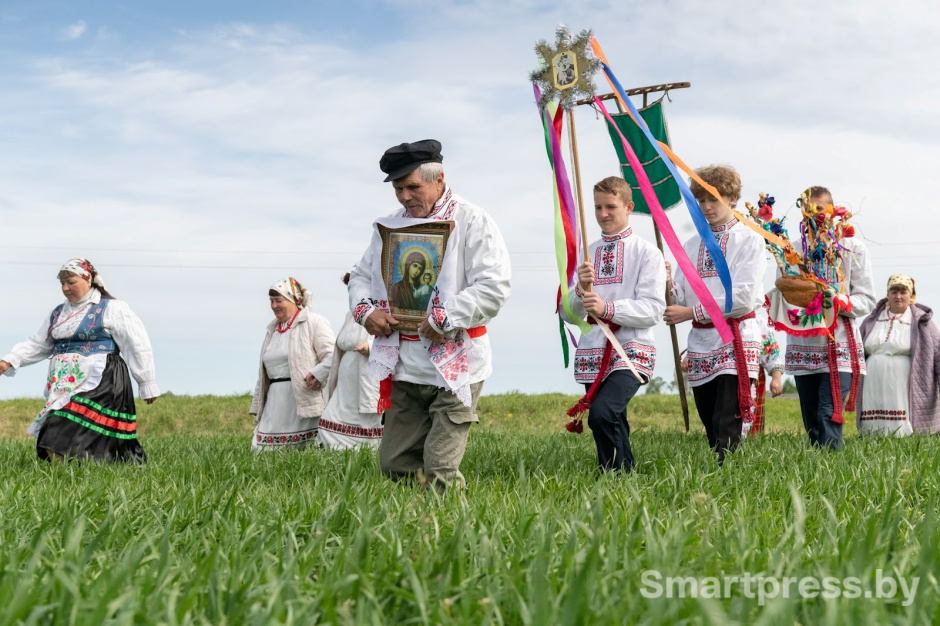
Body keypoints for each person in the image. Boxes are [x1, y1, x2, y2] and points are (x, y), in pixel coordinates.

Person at [348, 139, 511, 491]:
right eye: (398, 188)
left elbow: (494, 286)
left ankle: (452, 535)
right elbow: (361, 276)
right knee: (395, 464)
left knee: (439, 470)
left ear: (439, 180)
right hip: (404, 363)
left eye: (412, 187)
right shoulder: (388, 229)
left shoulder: (473, 221)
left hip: (457, 363)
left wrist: (444, 318)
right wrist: (366, 312)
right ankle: (414, 529)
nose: (405, 196)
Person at [0, 259, 158, 462]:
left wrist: (146, 381)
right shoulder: (58, 313)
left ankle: (74, 474)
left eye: (71, 282)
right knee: (58, 429)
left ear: (88, 280)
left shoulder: (112, 308)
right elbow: (39, 343)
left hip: (102, 380)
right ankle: (68, 478)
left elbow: (136, 344)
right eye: (62, 284)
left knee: (62, 425)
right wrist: (10, 360)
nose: (65, 288)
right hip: (66, 382)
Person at [664, 165, 766, 464]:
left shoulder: (749, 240)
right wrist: (666, 282)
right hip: (701, 342)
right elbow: (679, 296)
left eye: (714, 199)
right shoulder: (692, 244)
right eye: (701, 201)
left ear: (733, 198)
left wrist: (690, 312)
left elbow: (743, 299)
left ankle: (730, 482)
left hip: (735, 337)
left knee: (727, 420)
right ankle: (721, 478)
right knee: (709, 421)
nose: (707, 207)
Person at [563, 176, 665, 472]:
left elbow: (653, 309)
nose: (602, 214)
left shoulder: (647, 253)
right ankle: (619, 477)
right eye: (597, 207)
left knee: (602, 414)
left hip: (631, 348)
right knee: (613, 418)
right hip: (593, 348)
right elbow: (568, 315)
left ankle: (616, 475)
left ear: (629, 206)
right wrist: (581, 293)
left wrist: (608, 308)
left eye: (610, 206)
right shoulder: (587, 253)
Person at [782, 186, 874, 449]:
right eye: (807, 209)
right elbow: (790, 294)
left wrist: (837, 300)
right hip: (804, 342)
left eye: (819, 209)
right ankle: (818, 477)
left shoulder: (852, 248)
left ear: (833, 211)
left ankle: (835, 475)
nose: (813, 215)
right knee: (811, 419)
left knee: (827, 413)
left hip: (839, 342)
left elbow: (866, 299)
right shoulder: (794, 249)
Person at [249, 277, 334, 450]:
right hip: (274, 400)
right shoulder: (272, 330)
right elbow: (264, 372)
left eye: (278, 301)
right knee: (263, 452)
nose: (273, 306)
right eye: (271, 301)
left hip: (302, 397)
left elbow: (333, 355)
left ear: (294, 300)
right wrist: (258, 402)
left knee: (303, 452)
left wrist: (318, 373)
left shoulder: (314, 322)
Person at [857, 274, 940, 435]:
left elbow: (938, 352)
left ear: (911, 295)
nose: (898, 296)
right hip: (872, 378)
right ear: (887, 294)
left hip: (905, 379)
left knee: (902, 417)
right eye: (894, 291)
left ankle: (905, 437)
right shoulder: (872, 319)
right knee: (874, 413)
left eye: (903, 291)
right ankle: (872, 436)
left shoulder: (922, 322)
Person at [319, 272, 384, 449]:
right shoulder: (351, 315)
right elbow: (340, 349)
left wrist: (370, 347)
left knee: (367, 426)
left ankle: (365, 463)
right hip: (345, 386)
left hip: (368, 380)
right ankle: (334, 460)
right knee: (329, 421)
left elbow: (397, 342)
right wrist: (318, 374)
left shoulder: (385, 312)